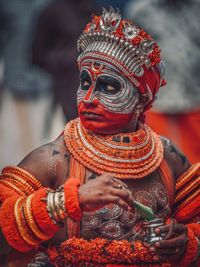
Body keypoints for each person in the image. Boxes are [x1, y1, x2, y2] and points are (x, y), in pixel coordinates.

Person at [0, 7, 199, 267]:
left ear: (142, 99)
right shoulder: (52, 160)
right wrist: (67, 201)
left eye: (109, 86)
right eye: (85, 82)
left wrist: (186, 242)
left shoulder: (169, 159)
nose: (90, 98)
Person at [125, 0, 200, 163]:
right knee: (158, 152)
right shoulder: (141, 10)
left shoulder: (196, 8)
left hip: (194, 92)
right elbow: (129, 52)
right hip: (157, 95)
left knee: (196, 152)